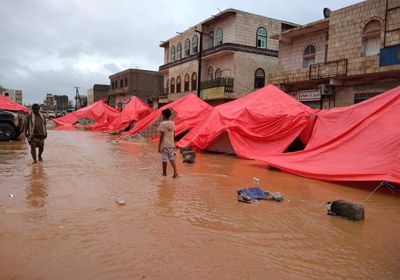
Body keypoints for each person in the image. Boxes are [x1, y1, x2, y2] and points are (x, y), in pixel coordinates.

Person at [158, 108, 178, 178]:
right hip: (171, 144)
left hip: (164, 144)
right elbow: (174, 134)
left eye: (162, 115)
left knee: (164, 159)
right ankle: (175, 171)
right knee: (171, 157)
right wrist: (174, 143)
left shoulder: (162, 124)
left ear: (164, 115)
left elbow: (162, 136)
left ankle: (164, 173)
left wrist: (159, 146)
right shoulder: (172, 123)